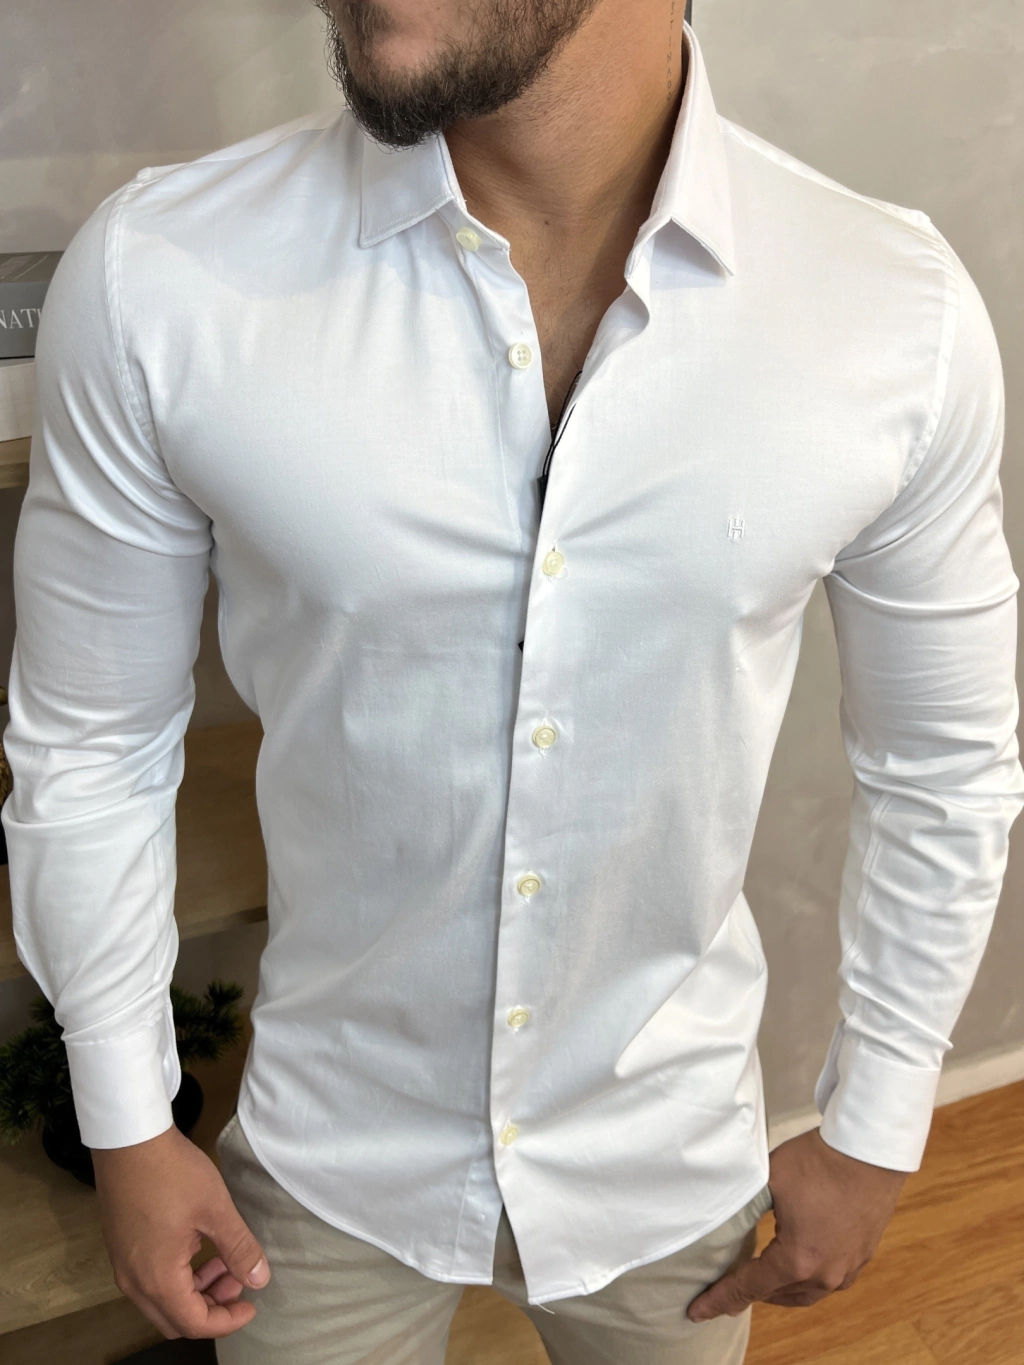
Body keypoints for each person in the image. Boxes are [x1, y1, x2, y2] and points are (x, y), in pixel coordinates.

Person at [4, 2, 1022, 1362]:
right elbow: (91, 743)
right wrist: (128, 1120)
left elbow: (945, 764)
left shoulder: (890, 312)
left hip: (666, 1154)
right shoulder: (164, 278)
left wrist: (880, 1126)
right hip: (327, 1155)